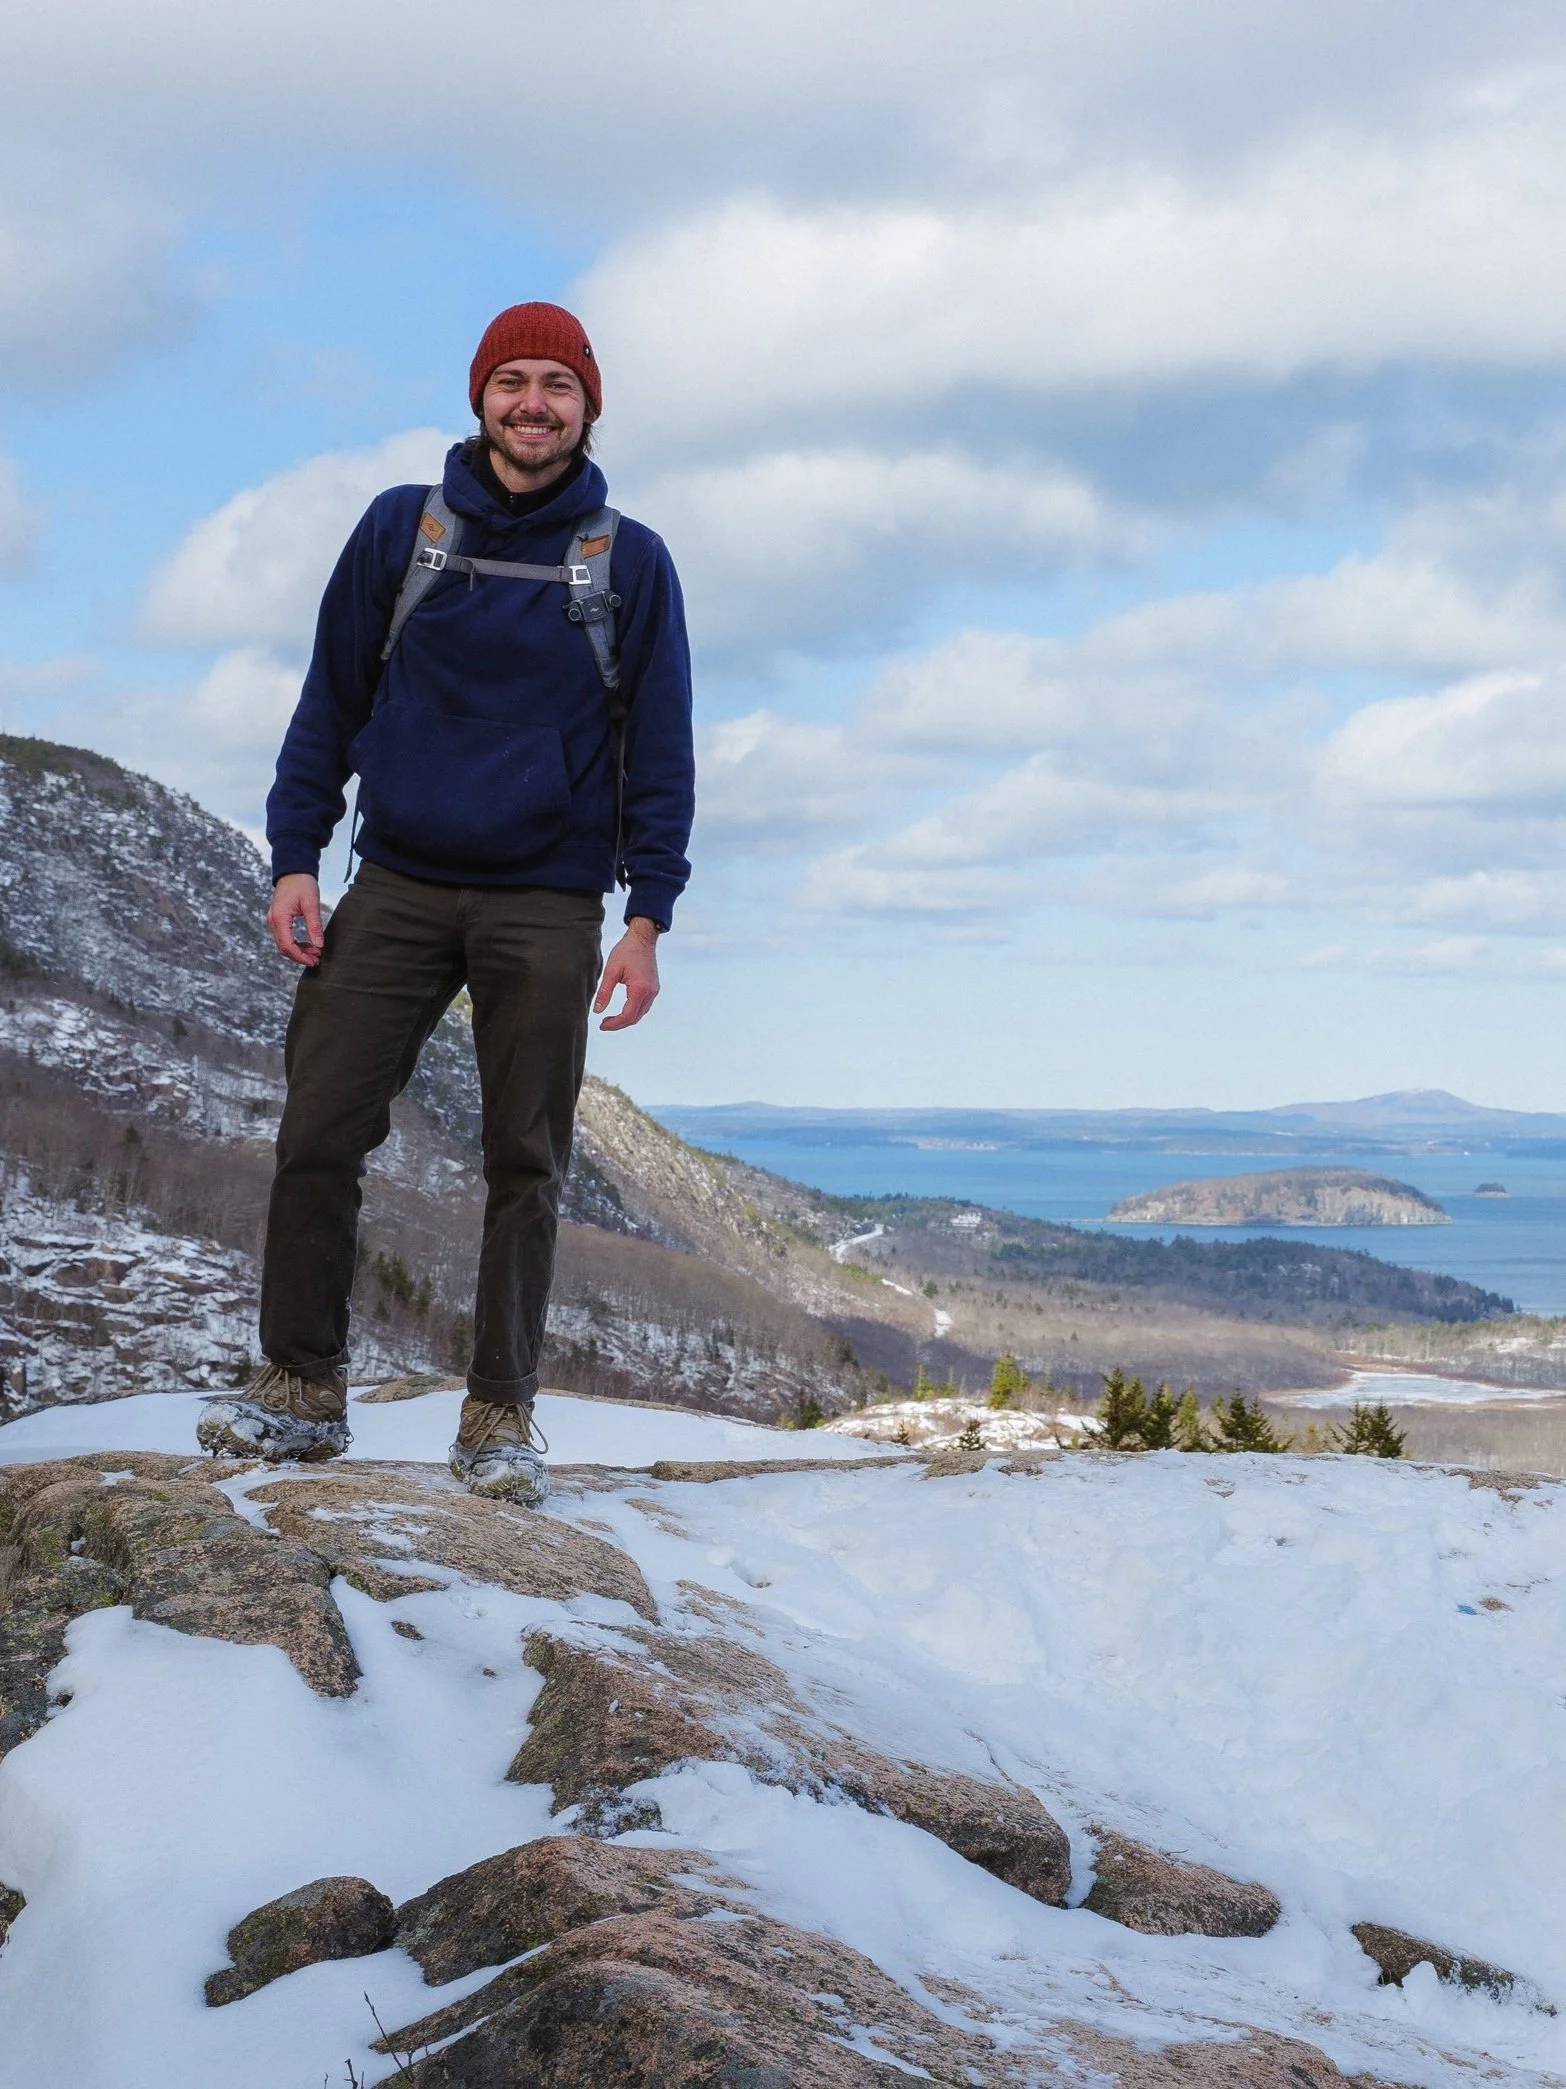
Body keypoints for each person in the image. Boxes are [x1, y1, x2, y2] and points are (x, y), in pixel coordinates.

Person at [197, 302, 694, 1504]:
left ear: (588, 408)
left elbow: (662, 750)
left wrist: (647, 917)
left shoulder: (629, 561)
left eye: (558, 386)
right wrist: (296, 854)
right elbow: (330, 699)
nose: (534, 404)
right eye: (513, 380)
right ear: (480, 397)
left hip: (549, 899)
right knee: (320, 1129)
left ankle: (498, 1417)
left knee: (527, 1161)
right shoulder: (400, 530)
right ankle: (302, 1389)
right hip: (399, 881)